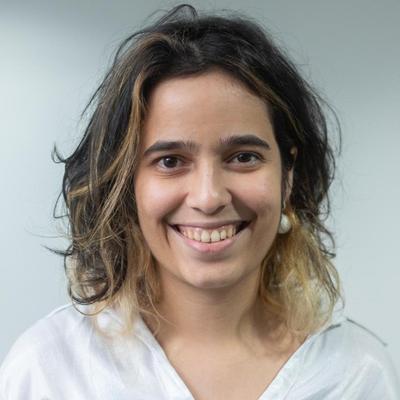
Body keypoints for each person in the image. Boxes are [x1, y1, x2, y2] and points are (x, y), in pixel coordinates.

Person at [0, 4, 399, 399]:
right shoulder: (48, 371)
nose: (208, 198)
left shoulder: (355, 374)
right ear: (125, 183)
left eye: (244, 157)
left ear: (288, 174)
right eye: (170, 161)